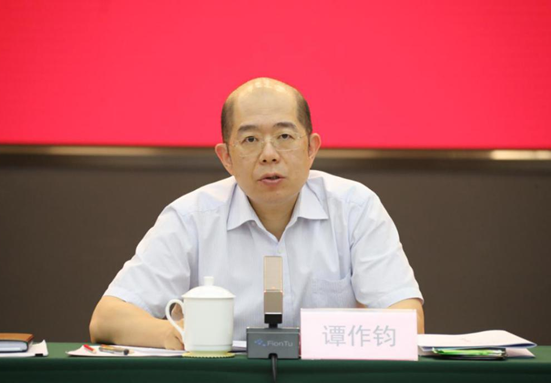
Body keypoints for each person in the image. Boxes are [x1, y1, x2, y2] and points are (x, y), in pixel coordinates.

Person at [89, 77, 424, 350]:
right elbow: (107, 318)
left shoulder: (355, 208)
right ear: (226, 157)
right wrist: (174, 334)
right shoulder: (190, 218)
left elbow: (408, 320)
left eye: (284, 136)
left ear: (311, 148)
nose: (269, 154)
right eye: (250, 139)